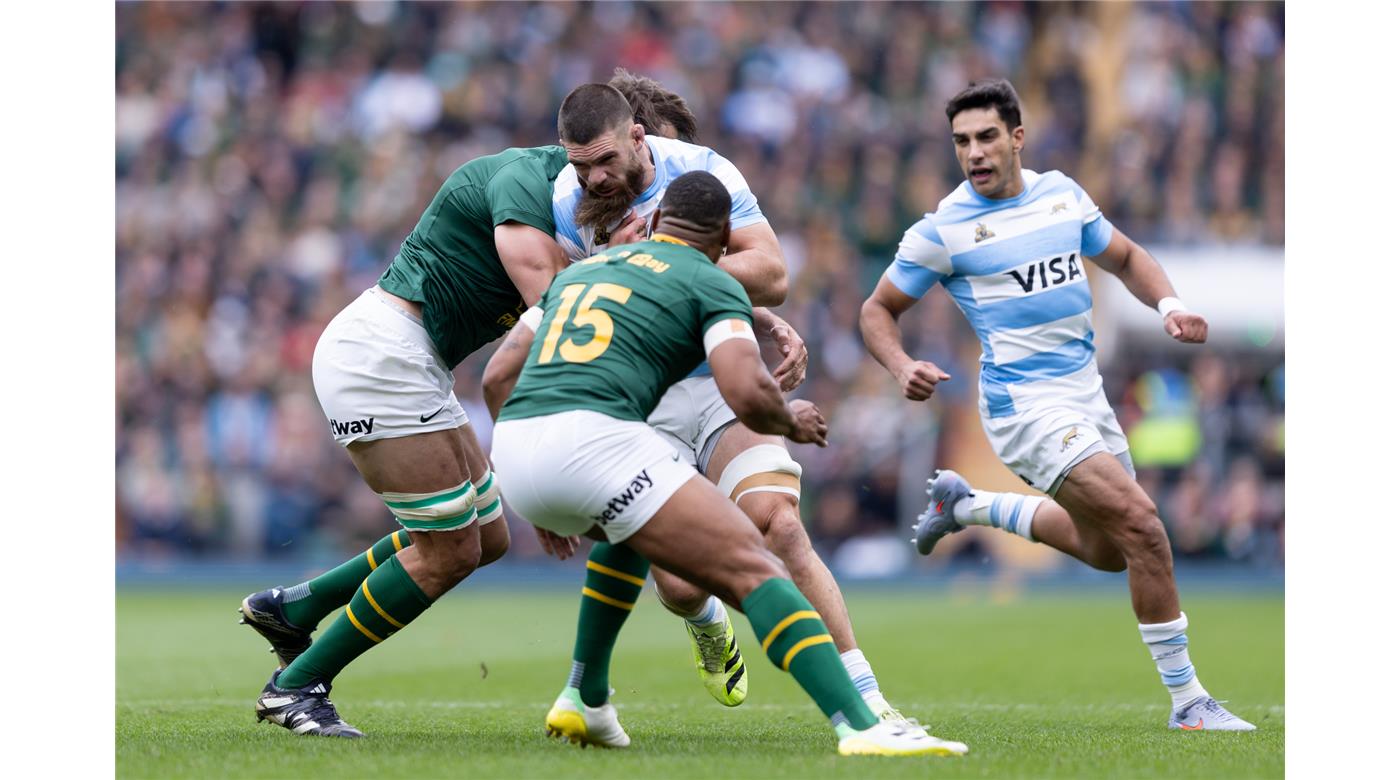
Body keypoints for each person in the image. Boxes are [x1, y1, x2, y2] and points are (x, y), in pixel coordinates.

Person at [485, 81, 923, 739]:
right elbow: (570, 311)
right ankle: (701, 623)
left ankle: (867, 697)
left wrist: (673, 267)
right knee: (684, 584)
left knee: (778, 524)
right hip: (636, 397)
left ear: (639, 138)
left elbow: (771, 272)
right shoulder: (563, 202)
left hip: (719, 376)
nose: (593, 180)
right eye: (580, 168)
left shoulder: (706, 172)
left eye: (604, 162)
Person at [859, 78, 1255, 732]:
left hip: (1085, 393)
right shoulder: (944, 229)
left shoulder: (1061, 194)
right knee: (1145, 527)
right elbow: (877, 309)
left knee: (1109, 550)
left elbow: (1125, 256)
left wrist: (1171, 305)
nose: (974, 153)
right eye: (961, 141)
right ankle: (1189, 703)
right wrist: (901, 364)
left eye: (986, 136)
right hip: (1025, 407)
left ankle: (967, 505)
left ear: (1018, 137)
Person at [240, 143, 572, 737]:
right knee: (449, 551)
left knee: (487, 537)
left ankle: (296, 609)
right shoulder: (532, 180)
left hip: (415, 362)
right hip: (384, 357)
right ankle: (294, 688)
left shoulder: (574, 198)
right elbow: (556, 301)